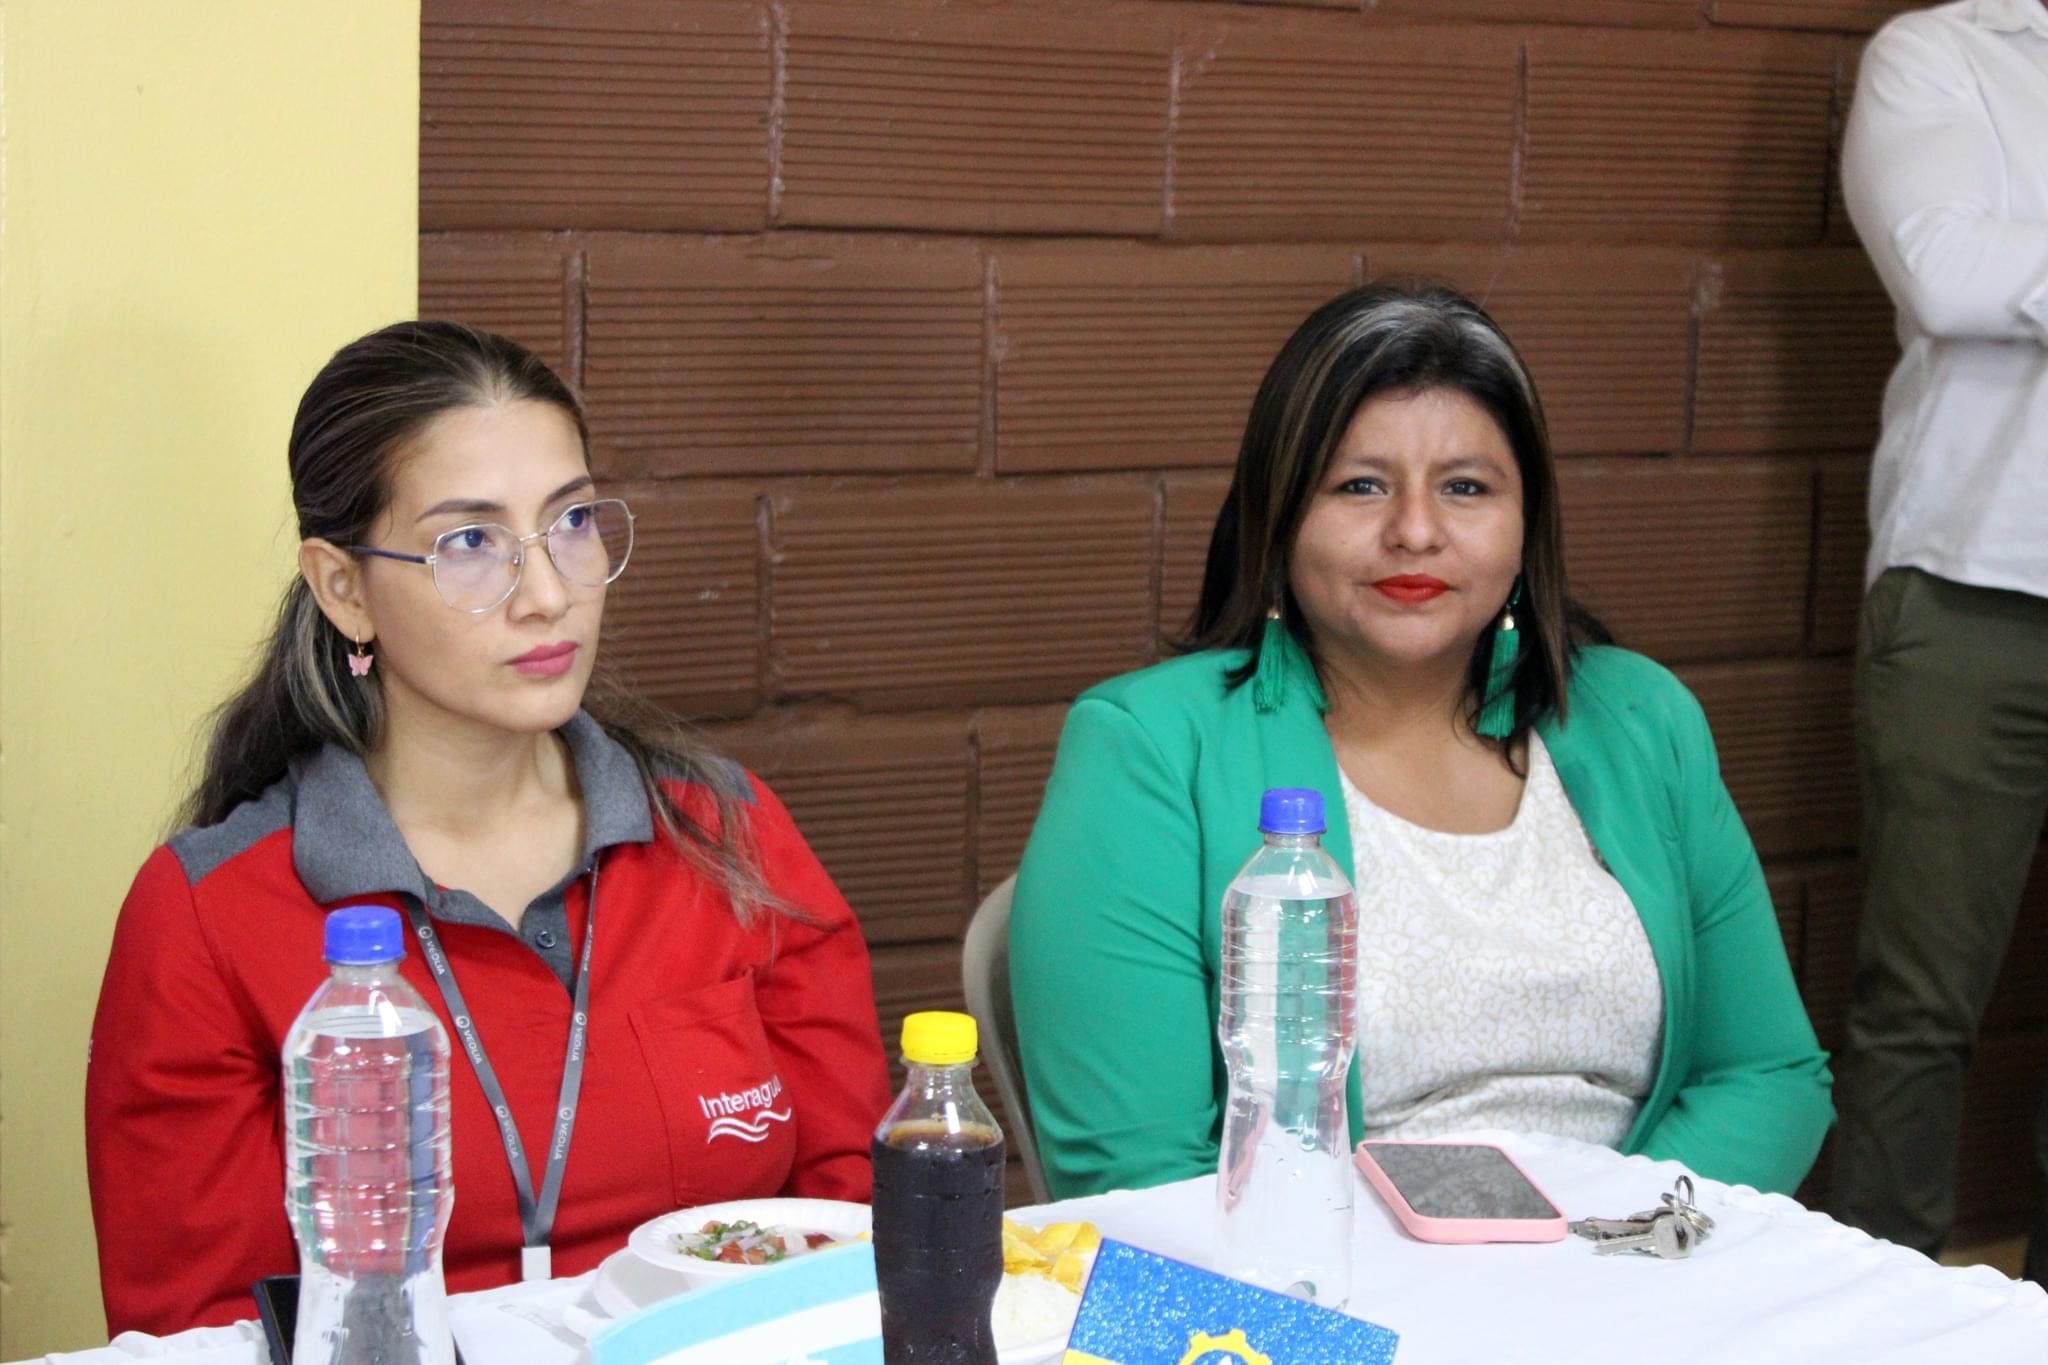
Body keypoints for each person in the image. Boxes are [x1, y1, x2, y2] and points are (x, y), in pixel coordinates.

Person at [85, 321, 893, 1334]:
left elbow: (859, 1228)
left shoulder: (727, 835)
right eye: (470, 542)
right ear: (344, 589)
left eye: (571, 522)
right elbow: (201, 1335)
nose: (550, 595)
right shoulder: (206, 917)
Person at [1008, 283, 1833, 1202]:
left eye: (1466, 487)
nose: (1415, 531)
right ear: (1279, 516)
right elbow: (1136, 1180)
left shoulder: (1641, 719)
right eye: (1360, 485)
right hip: (1323, 1275)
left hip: (1636, 1257)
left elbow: (1769, 1075)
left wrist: (1596, 1246)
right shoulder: (1150, 750)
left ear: (1527, 524)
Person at [1833, 0, 2048, 1284]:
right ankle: (1876, 1322)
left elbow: (1997, 270)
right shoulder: (1939, 55)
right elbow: (1941, 267)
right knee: (1915, 1010)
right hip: (1974, 586)